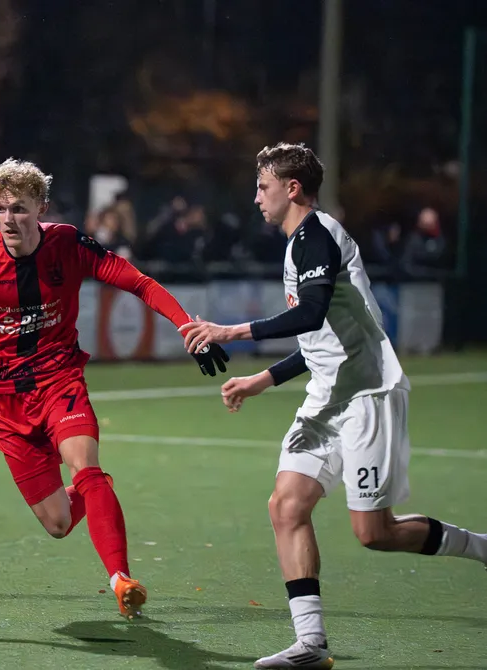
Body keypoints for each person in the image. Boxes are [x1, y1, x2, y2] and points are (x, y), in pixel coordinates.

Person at [0, 158, 228, 619]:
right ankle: (96, 492)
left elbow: (139, 283)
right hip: (3, 401)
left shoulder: (69, 244)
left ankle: (121, 579)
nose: (8, 219)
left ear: (41, 208)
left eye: (19, 208)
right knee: (57, 523)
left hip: (59, 380)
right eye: (0, 208)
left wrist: (188, 328)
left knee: (85, 467)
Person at [179, 142, 487, 669]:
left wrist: (231, 330)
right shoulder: (298, 244)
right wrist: (263, 380)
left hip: (367, 394)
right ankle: (310, 644)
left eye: (263, 187)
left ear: (292, 188)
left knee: (375, 533)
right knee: (286, 506)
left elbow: (311, 314)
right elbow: (320, 341)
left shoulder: (317, 236)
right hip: (326, 396)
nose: (256, 197)